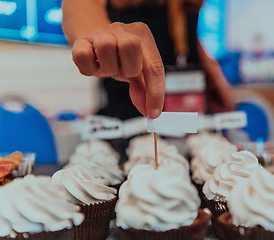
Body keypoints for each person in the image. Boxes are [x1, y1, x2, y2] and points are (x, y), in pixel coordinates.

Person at [61, 0, 234, 161]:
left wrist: (212, 75)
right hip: (130, 136)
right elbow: (80, 11)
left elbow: (178, 34)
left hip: (190, 132)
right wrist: (102, 37)